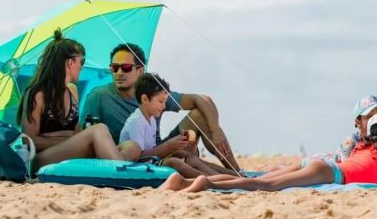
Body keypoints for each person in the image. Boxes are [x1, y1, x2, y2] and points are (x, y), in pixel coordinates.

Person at [159, 112, 377, 192]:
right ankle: (205, 183)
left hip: (324, 163)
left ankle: (187, 183)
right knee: (264, 185)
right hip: (328, 170)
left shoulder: (364, 146)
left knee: (265, 181)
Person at [84, 43, 242, 173]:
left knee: (199, 116)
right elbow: (85, 135)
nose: (119, 73)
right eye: (114, 67)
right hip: (133, 156)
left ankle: (235, 171)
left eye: (125, 67)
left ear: (140, 71)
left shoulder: (154, 93)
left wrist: (216, 132)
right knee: (188, 160)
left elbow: (202, 99)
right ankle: (222, 179)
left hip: (160, 150)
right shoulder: (98, 97)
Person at [16, 29, 140, 171]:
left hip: (69, 156)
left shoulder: (72, 92)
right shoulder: (37, 94)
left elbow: (77, 135)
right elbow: (28, 141)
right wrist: (67, 137)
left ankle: (104, 170)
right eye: (82, 61)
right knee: (99, 130)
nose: (82, 66)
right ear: (70, 62)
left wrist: (67, 136)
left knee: (132, 146)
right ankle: (121, 173)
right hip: (43, 160)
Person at [119, 72, 238, 177]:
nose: (164, 106)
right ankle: (213, 179)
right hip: (141, 166)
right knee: (175, 162)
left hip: (152, 161)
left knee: (186, 155)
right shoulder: (136, 122)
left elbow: (152, 150)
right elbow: (139, 157)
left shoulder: (151, 120)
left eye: (165, 102)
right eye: (160, 102)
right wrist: (169, 146)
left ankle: (233, 175)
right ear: (145, 99)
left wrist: (176, 145)